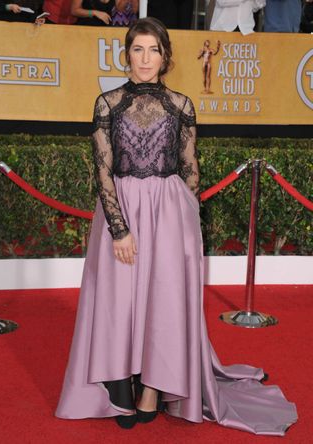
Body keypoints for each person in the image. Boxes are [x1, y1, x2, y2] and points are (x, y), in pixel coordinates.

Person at [55, 17, 298, 433]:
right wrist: (118, 228)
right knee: (119, 301)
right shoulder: (107, 103)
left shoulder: (182, 105)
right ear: (126, 55)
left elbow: (190, 169)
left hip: (169, 215)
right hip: (123, 212)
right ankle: (121, 388)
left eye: (153, 50)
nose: (145, 58)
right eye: (137, 49)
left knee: (162, 303)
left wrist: (184, 222)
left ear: (165, 57)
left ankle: (153, 387)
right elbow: (102, 170)